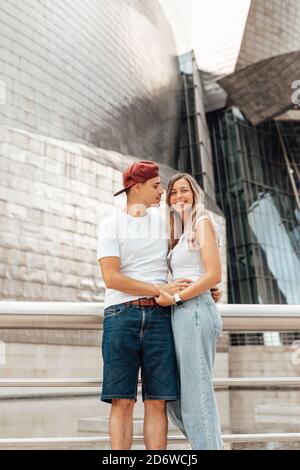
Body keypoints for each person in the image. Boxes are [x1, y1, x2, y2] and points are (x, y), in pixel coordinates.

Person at [97, 161, 222, 450]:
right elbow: (111, 277)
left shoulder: (168, 220)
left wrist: (204, 287)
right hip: (120, 316)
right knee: (122, 401)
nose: (163, 193)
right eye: (156, 186)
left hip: (161, 315)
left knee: (159, 401)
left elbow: (190, 257)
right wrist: (160, 289)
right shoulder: (110, 224)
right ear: (136, 187)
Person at [154, 173, 224, 450]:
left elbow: (214, 274)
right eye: (173, 193)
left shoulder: (202, 222)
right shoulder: (179, 233)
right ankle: (211, 445)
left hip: (192, 311)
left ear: (195, 194)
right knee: (175, 399)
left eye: (184, 191)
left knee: (197, 396)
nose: (178, 196)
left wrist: (178, 297)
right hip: (182, 314)